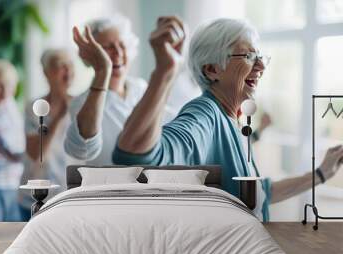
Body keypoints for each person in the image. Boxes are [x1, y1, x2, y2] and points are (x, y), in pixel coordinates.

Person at [112, 18, 343, 221]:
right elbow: (139, 158)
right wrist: (164, 71)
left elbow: (260, 193)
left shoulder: (233, 120)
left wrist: (321, 174)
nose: (261, 66)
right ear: (212, 69)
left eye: (260, 56)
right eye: (249, 56)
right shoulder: (205, 114)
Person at [64, 15, 189, 164]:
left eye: (122, 45)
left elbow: (170, 125)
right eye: (108, 47)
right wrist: (103, 71)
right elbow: (83, 150)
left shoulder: (141, 88)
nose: (118, 52)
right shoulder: (82, 102)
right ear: (93, 56)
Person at [20, 49, 81, 220]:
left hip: (69, 196)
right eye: (60, 66)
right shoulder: (34, 107)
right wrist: (59, 116)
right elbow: (35, 153)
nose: (67, 70)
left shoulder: (83, 107)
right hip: (36, 196)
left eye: (69, 65)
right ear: (46, 72)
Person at [0, 59, 25, 221]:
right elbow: (8, 148)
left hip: (13, 179)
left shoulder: (11, 107)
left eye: (8, 85)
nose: (3, 91)